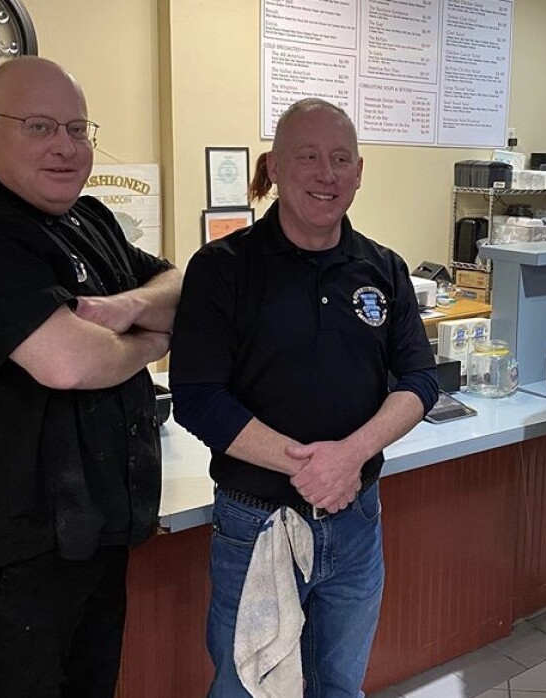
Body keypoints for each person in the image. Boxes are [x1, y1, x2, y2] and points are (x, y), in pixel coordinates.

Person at [0, 57, 182, 698]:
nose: (65, 146)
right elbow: (68, 362)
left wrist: (129, 308)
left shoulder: (93, 220)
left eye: (77, 128)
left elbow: (180, 281)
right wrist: (155, 340)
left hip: (99, 533)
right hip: (16, 551)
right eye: (39, 126)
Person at [169, 98, 438, 697]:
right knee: (248, 686)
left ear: (360, 171)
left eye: (341, 159)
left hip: (357, 520)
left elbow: (420, 378)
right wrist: (312, 466)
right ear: (275, 166)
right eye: (308, 157)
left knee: (339, 684)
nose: (327, 174)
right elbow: (196, 395)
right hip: (256, 522)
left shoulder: (383, 268)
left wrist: (351, 456)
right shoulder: (223, 269)